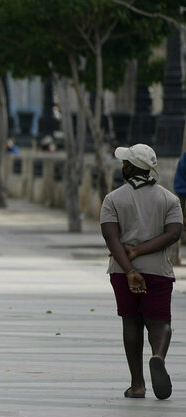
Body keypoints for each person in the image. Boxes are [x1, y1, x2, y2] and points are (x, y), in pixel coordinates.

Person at [101, 144, 181, 400]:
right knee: (161, 322)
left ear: (130, 167)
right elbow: (174, 233)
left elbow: (111, 237)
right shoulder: (170, 199)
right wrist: (142, 251)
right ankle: (158, 355)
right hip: (158, 271)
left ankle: (137, 385)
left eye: (125, 162)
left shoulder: (113, 199)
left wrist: (129, 267)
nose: (122, 165)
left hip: (122, 272)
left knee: (131, 322)